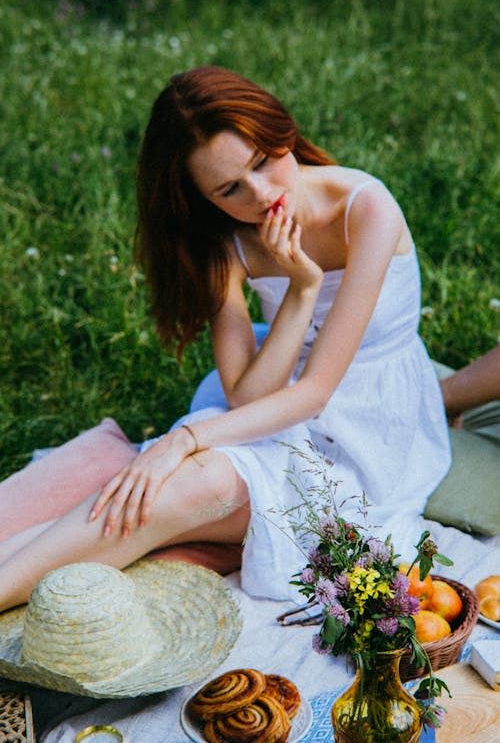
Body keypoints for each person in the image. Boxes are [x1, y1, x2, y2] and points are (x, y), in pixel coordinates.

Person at [0, 65, 453, 611]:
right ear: (204, 198)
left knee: (181, 488)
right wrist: (301, 290)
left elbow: (315, 392)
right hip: (272, 403)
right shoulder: (226, 246)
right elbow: (245, 396)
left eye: (262, 161)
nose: (260, 195)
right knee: (157, 493)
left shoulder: (366, 209)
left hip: (371, 431)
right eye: (229, 188)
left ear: (281, 131)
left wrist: (185, 440)